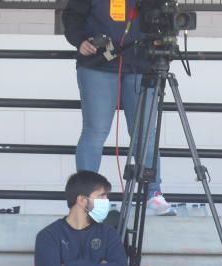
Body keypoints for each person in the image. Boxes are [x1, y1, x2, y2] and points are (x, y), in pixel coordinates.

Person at [62, 0, 171, 215]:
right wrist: (80, 40)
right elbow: (72, 16)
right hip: (97, 64)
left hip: (142, 64)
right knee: (95, 131)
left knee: (145, 133)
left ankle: (153, 193)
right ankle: (86, 198)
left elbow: (165, 17)